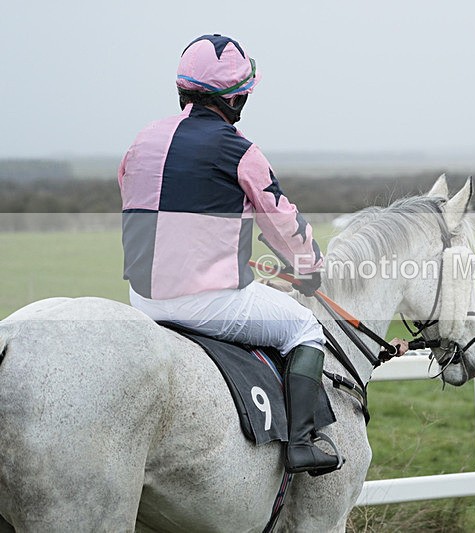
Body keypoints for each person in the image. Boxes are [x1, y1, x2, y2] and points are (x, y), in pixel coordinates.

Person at [118, 34, 339, 475]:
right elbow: (281, 221)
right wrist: (310, 267)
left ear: (182, 87)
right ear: (237, 98)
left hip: (139, 299)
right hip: (207, 302)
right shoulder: (240, 150)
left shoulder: (143, 139)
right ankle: (301, 443)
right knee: (305, 328)